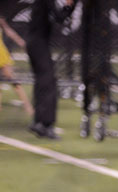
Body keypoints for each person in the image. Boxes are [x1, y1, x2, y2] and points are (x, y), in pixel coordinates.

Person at [25, 0, 77, 139]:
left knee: (43, 81)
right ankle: (44, 124)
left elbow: (59, 17)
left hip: (36, 42)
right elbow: (58, 17)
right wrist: (69, 5)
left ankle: (39, 121)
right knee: (48, 81)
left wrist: (70, 6)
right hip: (37, 42)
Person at [0, 17, 34, 117]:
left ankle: (27, 105)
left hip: (1, 55)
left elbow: (9, 31)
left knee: (13, 81)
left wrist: (21, 43)